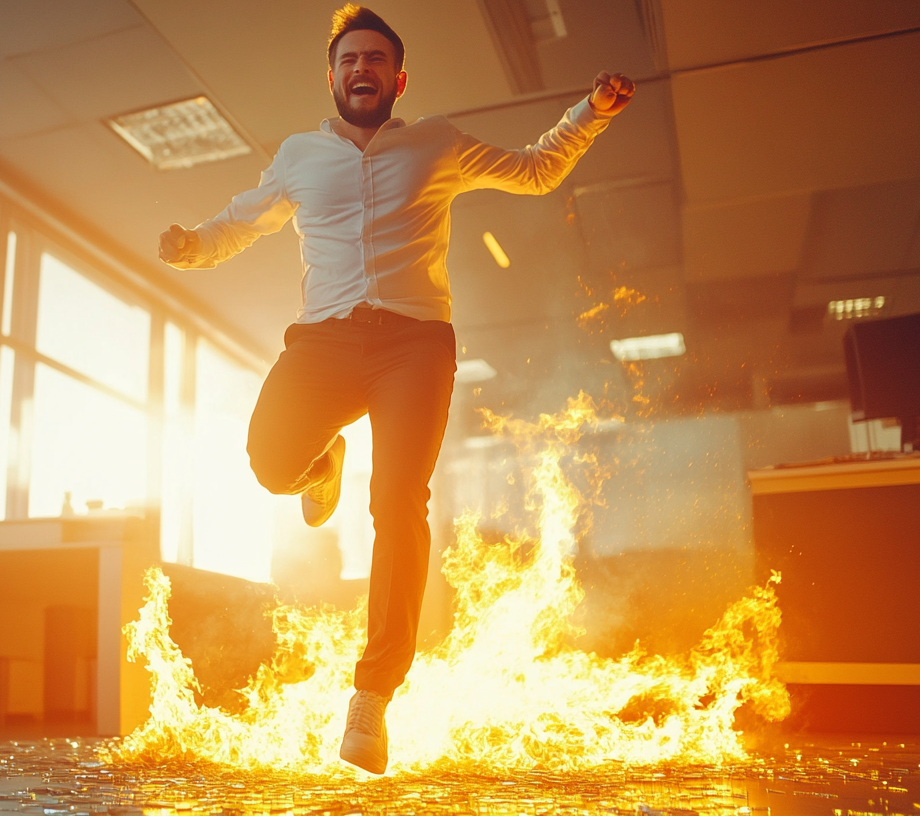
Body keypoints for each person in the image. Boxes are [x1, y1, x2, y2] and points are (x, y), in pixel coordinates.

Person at [159, 4, 633, 774]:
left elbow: (536, 169)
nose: (362, 70)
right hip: (325, 341)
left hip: (414, 342)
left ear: (397, 76)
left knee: (399, 501)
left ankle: (372, 695)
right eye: (350, 60)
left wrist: (592, 113)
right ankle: (320, 463)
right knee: (268, 463)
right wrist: (191, 249)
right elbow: (242, 222)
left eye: (376, 59)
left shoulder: (437, 143)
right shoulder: (300, 155)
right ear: (335, 75)